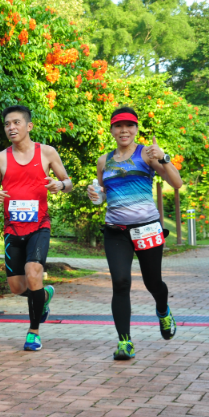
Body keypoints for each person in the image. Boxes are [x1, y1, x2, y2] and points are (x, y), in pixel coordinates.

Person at [87, 107, 182, 360]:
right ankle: (125, 342)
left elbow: (176, 183)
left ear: (136, 129)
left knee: (153, 283)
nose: (124, 130)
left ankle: (163, 310)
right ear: (111, 130)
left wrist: (164, 157)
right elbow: (103, 194)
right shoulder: (103, 161)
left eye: (129, 125)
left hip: (147, 228)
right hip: (115, 231)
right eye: (118, 126)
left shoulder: (147, 154)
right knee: (120, 283)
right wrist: (96, 195)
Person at [0, 105, 72, 351]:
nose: (11, 128)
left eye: (16, 123)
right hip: (12, 229)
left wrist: (60, 185)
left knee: (33, 272)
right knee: (17, 287)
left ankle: (33, 332)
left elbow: (68, 182)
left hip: (39, 226)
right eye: (7, 124)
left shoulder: (47, 152)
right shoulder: (1, 158)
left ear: (29, 126)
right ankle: (43, 295)